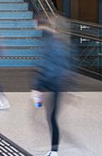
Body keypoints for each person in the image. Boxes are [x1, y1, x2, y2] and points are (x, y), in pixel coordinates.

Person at [32, 16, 70, 156]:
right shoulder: (61, 42)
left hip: (52, 83)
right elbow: (66, 66)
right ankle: (54, 150)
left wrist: (38, 87)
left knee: (52, 118)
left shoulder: (51, 43)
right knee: (52, 117)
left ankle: (54, 150)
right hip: (58, 84)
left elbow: (46, 65)